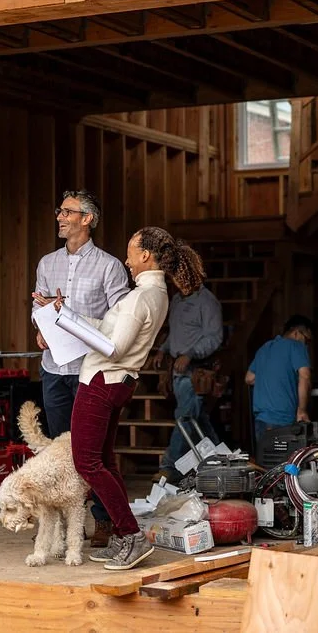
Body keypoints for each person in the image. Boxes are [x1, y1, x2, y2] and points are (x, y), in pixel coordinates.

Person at [60, 226, 206, 570]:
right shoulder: (153, 294)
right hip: (118, 381)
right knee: (105, 461)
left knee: (87, 463)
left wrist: (65, 322)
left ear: (145, 256)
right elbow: (112, 330)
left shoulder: (141, 296)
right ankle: (125, 536)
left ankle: (130, 534)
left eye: (130, 252)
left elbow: (114, 346)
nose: (125, 260)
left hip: (101, 378)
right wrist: (67, 313)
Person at [32, 189, 129, 547]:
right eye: (59, 211)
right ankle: (58, 527)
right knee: (59, 449)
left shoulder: (109, 266)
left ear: (87, 219)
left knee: (96, 450)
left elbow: (120, 319)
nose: (59, 217)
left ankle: (104, 521)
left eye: (67, 212)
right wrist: (40, 329)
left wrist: (77, 320)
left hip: (91, 371)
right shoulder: (46, 263)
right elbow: (38, 306)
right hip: (54, 367)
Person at [153, 281, 224, 482]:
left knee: (185, 418)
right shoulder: (176, 300)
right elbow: (177, 333)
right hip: (177, 369)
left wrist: (190, 354)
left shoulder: (207, 302)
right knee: (197, 418)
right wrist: (163, 349)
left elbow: (215, 337)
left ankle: (169, 467)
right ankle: (220, 460)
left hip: (196, 371)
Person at [245, 315, 314, 442]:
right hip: (283, 420)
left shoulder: (265, 348)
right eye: (307, 340)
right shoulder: (296, 346)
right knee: (287, 461)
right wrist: (302, 410)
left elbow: (249, 378)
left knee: (266, 459)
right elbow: (305, 375)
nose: (307, 345)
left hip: (262, 421)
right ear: (296, 333)